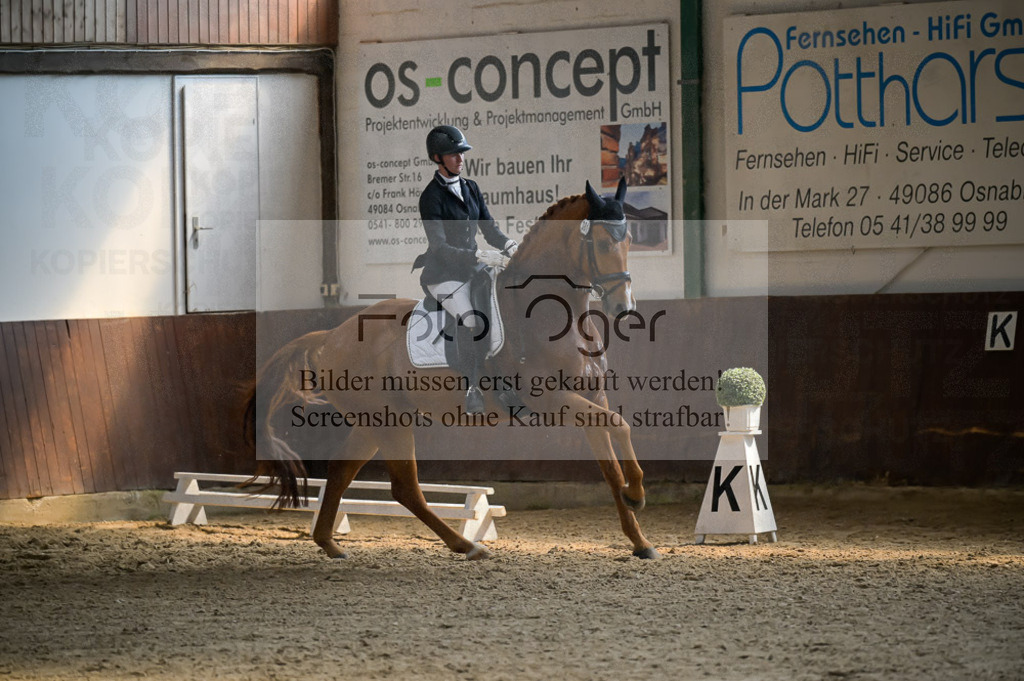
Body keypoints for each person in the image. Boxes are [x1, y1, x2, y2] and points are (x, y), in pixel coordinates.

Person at [413, 125, 517, 414]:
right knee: (473, 320)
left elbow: (489, 228)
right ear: (437, 157)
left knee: (499, 310)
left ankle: (503, 381)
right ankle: (473, 385)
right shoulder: (430, 197)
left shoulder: (471, 187)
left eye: (461, 153)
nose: (460, 158)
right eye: (452, 154)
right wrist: (478, 255)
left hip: (472, 269)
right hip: (443, 274)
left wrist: (509, 246)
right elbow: (439, 247)